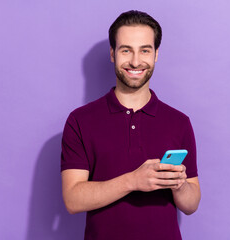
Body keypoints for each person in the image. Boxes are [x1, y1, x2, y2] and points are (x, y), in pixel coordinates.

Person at [61, 10, 201, 240]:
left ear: (156, 54)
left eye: (144, 50)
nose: (136, 61)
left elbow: (191, 204)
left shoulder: (179, 122)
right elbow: (72, 199)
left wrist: (179, 185)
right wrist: (133, 181)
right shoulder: (80, 120)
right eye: (126, 50)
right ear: (112, 54)